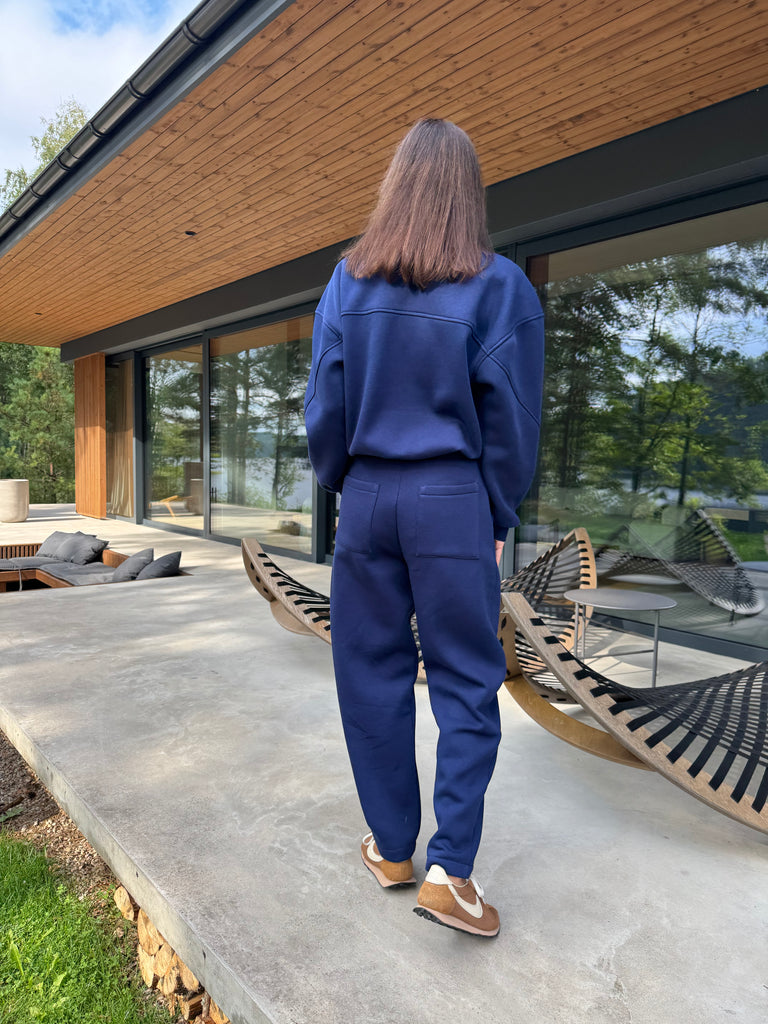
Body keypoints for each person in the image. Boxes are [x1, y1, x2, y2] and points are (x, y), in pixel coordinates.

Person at [304, 118, 544, 937]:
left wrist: (347, 485)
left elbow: (324, 407)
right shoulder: (501, 286)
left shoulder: (346, 282)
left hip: (368, 494)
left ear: (395, 186)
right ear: (467, 193)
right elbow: (513, 424)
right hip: (453, 498)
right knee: (466, 679)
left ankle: (391, 848)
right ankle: (451, 874)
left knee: (368, 673)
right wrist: (495, 512)